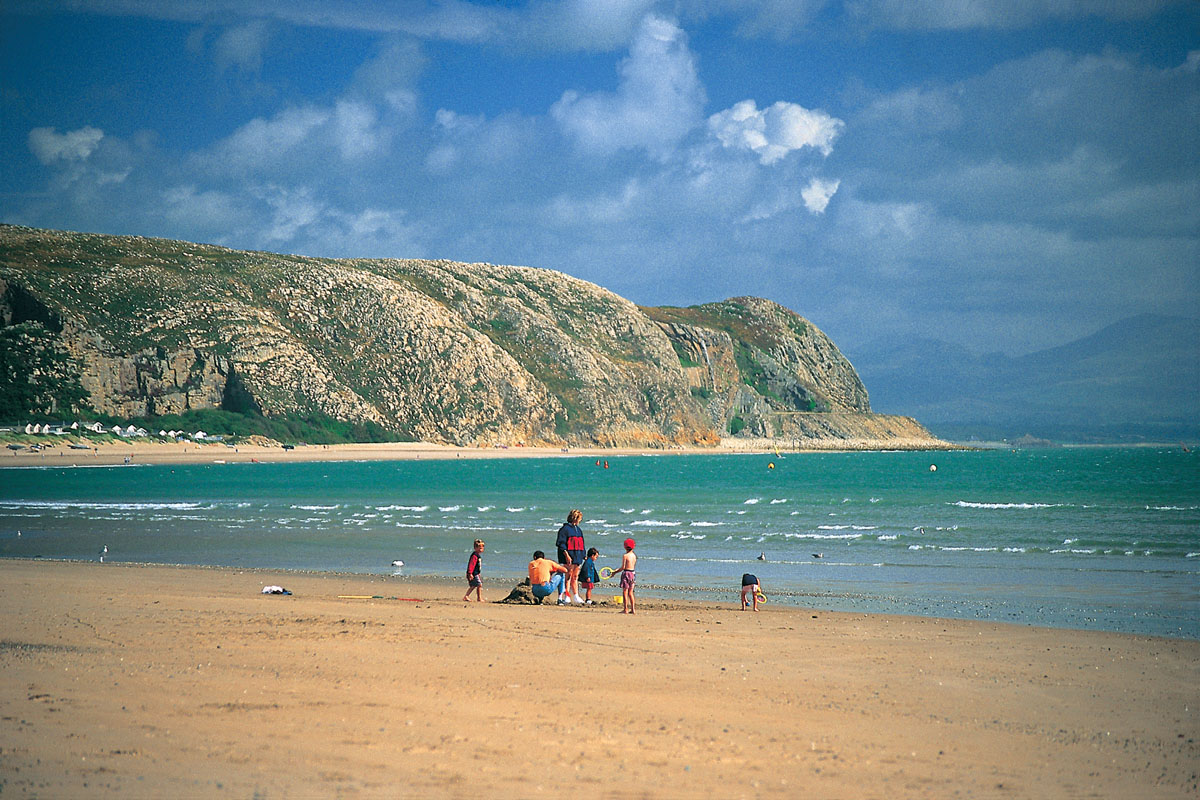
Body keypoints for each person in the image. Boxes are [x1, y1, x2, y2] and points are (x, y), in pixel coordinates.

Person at [556, 509, 586, 604]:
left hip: (577, 555)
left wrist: (583, 554)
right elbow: (561, 544)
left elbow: (582, 543)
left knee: (575, 576)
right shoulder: (564, 529)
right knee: (568, 575)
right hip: (569, 555)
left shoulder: (578, 530)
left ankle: (576, 595)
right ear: (575, 518)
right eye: (579, 518)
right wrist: (567, 555)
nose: (580, 520)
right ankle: (566, 596)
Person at [612, 538, 637, 614]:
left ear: (625, 547)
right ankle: (633, 609)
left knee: (625, 591)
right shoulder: (634, 556)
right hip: (633, 573)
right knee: (631, 592)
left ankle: (625, 608)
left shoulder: (625, 556)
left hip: (626, 573)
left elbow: (623, 567)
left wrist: (615, 572)